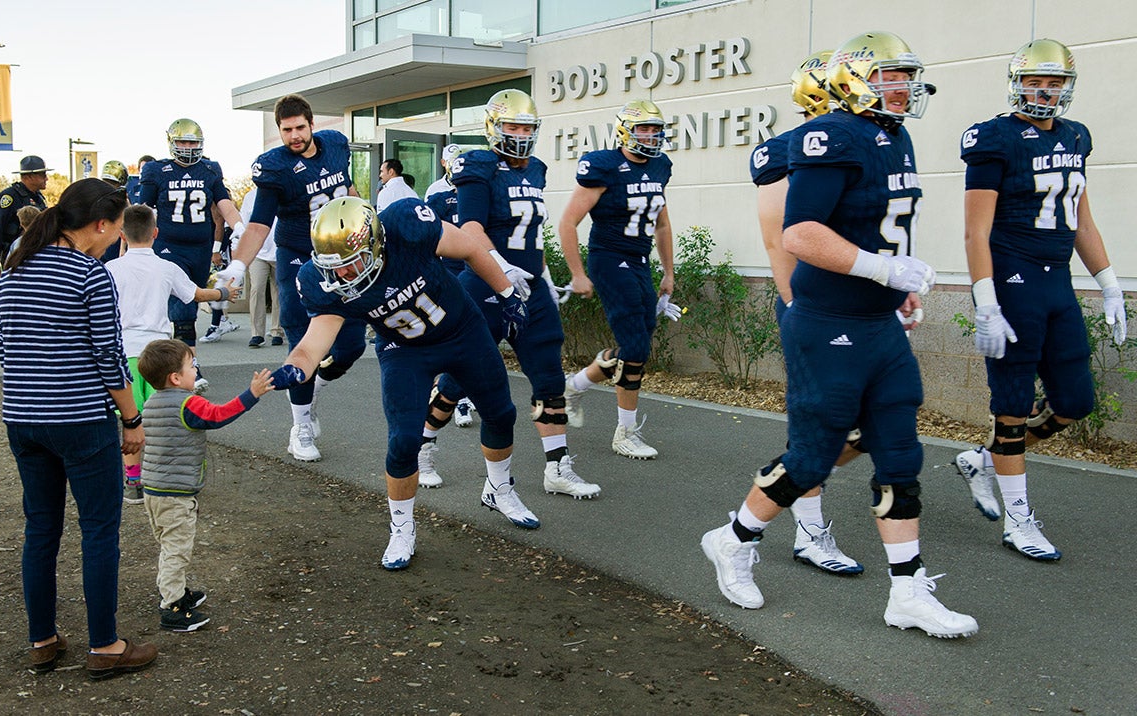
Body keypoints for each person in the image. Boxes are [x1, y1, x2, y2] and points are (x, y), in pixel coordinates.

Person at [700, 32, 979, 639]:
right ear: (855, 79)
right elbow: (800, 233)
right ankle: (733, 538)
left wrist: (895, 285)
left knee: (901, 453)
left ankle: (907, 591)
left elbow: (876, 224)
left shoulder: (893, 135)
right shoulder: (829, 135)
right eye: (889, 76)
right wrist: (885, 269)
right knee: (813, 455)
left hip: (876, 322)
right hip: (828, 324)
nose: (902, 87)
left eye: (907, 76)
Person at [269, 196, 532, 569]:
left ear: (375, 244)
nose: (342, 275)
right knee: (404, 441)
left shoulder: (407, 226)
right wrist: (294, 368)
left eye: (351, 263)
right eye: (334, 267)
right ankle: (402, 528)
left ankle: (499, 489)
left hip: (461, 330)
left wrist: (507, 293)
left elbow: (471, 247)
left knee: (501, 414)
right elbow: (312, 346)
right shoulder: (321, 281)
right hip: (403, 349)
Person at [953, 39, 1128, 561]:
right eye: (1036, 81)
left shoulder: (1076, 136)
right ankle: (1018, 520)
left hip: (1058, 283)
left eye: (1055, 83)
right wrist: (985, 298)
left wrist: (1110, 282)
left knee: (1075, 403)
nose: (1045, 91)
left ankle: (985, 462)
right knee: (1011, 408)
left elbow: (1081, 219)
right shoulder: (993, 138)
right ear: (1017, 82)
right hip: (1012, 280)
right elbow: (975, 232)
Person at [0, 178, 158, 678]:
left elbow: (6, 345)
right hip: (79, 418)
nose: (116, 240)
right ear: (101, 225)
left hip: (23, 417)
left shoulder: (14, 268)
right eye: (114, 231)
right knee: (99, 529)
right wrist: (131, 418)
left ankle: (42, 639)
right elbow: (109, 357)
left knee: (40, 528)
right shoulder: (90, 273)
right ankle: (105, 645)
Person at [419, 89, 600, 501]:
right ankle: (422, 446)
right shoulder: (478, 165)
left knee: (549, 377)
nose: (519, 134)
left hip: (532, 287)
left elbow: (532, 235)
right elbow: (471, 228)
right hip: (485, 286)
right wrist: (501, 268)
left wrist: (544, 275)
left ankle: (557, 466)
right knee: (457, 380)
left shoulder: (536, 168)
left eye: (526, 127)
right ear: (493, 127)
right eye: (512, 126)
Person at [740, 52, 865, 575]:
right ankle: (807, 529)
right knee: (824, 422)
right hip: (815, 304)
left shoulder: (868, 141)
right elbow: (779, 242)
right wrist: (799, 309)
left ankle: (788, 478)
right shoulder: (785, 152)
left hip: (864, 307)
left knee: (872, 424)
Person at [217, 94, 367, 463]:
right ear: (280, 132)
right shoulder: (276, 168)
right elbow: (258, 225)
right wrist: (237, 266)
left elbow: (348, 191)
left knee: (352, 345)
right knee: (300, 343)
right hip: (299, 261)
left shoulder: (336, 145)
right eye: (286, 130)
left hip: (342, 259)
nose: (294, 136)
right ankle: (300, 426)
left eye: (300, 127)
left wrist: (365, 221)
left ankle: (312, 384)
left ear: (312, 124)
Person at [559, 99, 677, 461]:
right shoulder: (605, 166)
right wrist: (578, 273)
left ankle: (574, 386)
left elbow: (662, 223)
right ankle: (624, 431)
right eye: (644, 128)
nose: (652, 136)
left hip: (640, 262)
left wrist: (669, 272)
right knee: (636, 348)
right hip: (610, 259)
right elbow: (567, 223)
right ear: (626, 130)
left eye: (656, 129)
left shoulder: (660, 166)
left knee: (637, 344)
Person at [137, 339, 273, 631]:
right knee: (177, 549)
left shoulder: (151, 402)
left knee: (168, 544)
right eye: (192, 366)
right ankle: (171, 607)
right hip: (176, 494)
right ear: (176, 377)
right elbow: (218, 415)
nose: (196, 370)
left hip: (154, 490)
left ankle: (177, 591)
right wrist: (251, 395)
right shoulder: (189, 403)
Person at [106, 204, 238, 504]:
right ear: (156, 233)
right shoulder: (166, 267)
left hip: (123, 353)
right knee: (162, 420)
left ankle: (134, 481)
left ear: (122, 234)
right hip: (157, 355)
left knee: (131, 419)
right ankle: (163, 477)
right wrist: (225, 293)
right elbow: (196, 295)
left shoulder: (110, 269)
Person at [139, 119, 244, 392]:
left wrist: (240, 227)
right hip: (169, 246)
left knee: (190, 306)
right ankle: (190, 368)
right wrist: (135, 245)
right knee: (182, 308)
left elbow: (223, 203)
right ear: (171, 143)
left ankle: (175, 362)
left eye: (193, 142)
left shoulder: (210, 169)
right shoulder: (157, 170)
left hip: (199, 247)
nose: (188, 147)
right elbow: (144, 209)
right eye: (183, 142)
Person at [424, 145, 475, 428]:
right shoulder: (439, 196)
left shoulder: (478, 192)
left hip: (474, 272)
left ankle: (462, 392)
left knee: (470, 335)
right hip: (449, 273)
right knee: (449, 334)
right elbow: (428, 239)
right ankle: (455, 396)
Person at [0, 155, 51, 280]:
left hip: (36, 253)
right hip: (15, 255)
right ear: (28, 177)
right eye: (42, 175)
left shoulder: (39, 197)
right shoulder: (10, 197)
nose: (46, 178)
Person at [234, 186, 284, 348]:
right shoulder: (251, 196)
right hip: (257, 252)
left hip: (279, 249)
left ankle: (277, 330)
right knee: (257, 289)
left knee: (279, 291)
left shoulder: (283, 191)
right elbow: (244, 224)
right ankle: (257, 334)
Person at [100, 160, 131, 262]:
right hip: (113, 242)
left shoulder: (97, 195)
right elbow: (128, 223)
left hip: (100, 240)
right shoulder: (121, 199)